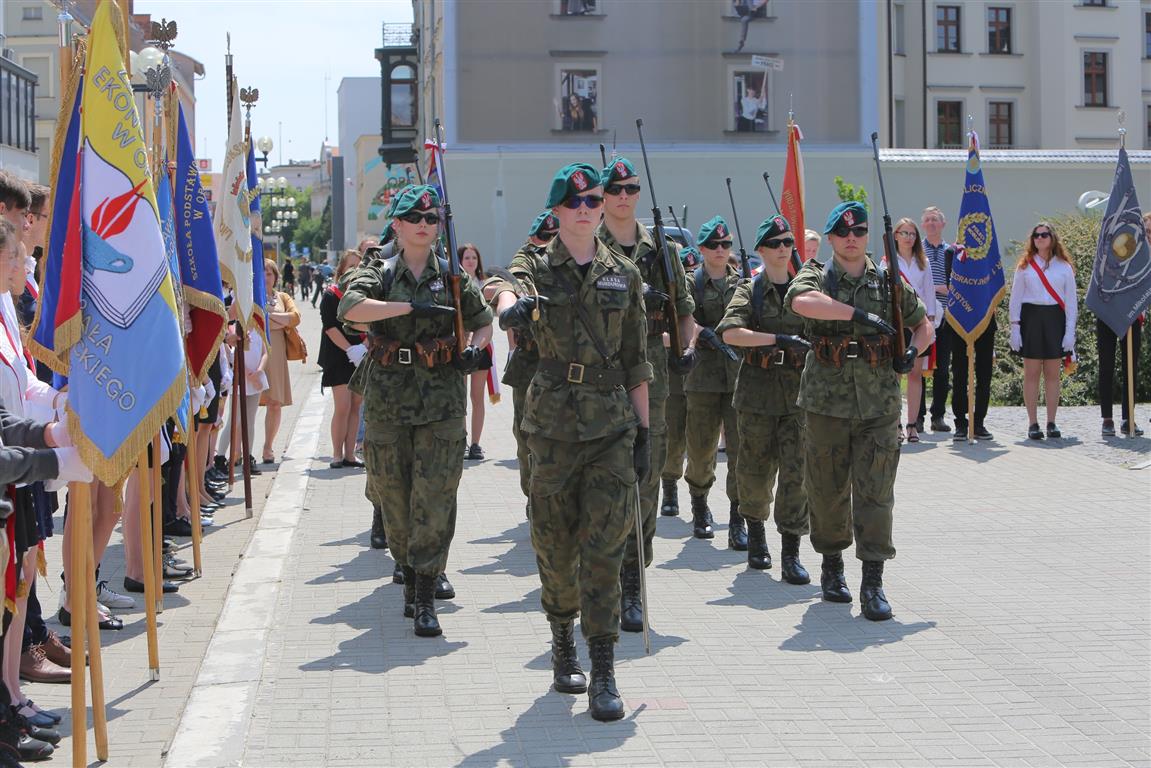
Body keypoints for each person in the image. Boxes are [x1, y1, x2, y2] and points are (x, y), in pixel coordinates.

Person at [494, 162, 651, 722]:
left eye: (594, 202)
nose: (586, 211)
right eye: (575, 203)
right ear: (557, 210)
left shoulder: (623, 273)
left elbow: (637, 359)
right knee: (555, 546)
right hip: (552, 428)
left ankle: (604, 667)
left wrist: (645, 433)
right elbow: (500, 286)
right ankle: (563, 637)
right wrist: (509, 307)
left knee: (605, 549)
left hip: (610, 426)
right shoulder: (536, 266)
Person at [339, 185, 493, 638]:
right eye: (414, 218)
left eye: (431, 219)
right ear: (398, 225)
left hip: (442, 398)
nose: (424, 225)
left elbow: (483, 321)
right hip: (389, 398)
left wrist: (474, 349)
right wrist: (408, 306)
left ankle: (425, 592)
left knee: (436, 496)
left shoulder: (453, 276)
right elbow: (351, 309)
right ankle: (408, 570)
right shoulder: (380, 270)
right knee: (394, 498)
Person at [786, 201, 932, 621]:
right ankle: (832, 566)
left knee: (876, 492)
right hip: (826, 402)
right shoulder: (817, 274)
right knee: (827, 490)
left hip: (878, 403)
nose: (852, 239)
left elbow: (923, 324)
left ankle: (873, 581)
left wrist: (912, 351)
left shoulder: (887, 281)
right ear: (831, 238)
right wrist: (858, 315)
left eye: (859, 232)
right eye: (843, 233)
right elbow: (801, 302)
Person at [596, 157, 695, 634]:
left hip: (651, 371)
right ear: (602, 195)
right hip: (600, 372)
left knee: (646, 475)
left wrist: (686, 347)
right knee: (601, 475)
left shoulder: (663, 250)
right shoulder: (587, 244)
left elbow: (685, 310)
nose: (623, 196)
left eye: (631, 189)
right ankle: (602, 577)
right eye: (615, 189)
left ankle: (633, 580)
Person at [719, 215, 813, 578]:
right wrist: (776, 339)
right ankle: (756, 535)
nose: (782, 249)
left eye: (788, 242)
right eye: (775, 244)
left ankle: (791, 551)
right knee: (755, 471)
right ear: (761, 249)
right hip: (757, 395)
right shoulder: (750, 290)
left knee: (796, 474)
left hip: (798, 395)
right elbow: (730, 333)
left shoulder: (804, 292)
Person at [682, 217, 744, 545]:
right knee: (701, 449)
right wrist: (699, 331)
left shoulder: (743, 284)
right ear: (702, 249)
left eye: (725, 244)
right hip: (702, 378)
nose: (720, 250)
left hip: (738, 379)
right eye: (713, 245)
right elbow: (682, 317)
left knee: (740, 450)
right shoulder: (690, 283)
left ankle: (737, 517)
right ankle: (700, 506)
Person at [493, 212, 556, 515]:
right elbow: (507, 284)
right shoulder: (526, 260)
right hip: (531, 362)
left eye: (554, 238)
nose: (549, 244)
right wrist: (512, 301)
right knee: (526, 437)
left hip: (568, 360)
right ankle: (534, 496)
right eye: (544, 238)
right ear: (532, 239)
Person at [1009, 221, 1077, 440]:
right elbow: (1016, 298)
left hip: (1055, 319)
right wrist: (1015, 327)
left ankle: (1051, 422)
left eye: (1044, 235)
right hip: (1031, 319)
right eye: (1036, 235)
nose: (1039, 238)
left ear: (1052, 238)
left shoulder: (1064, 267)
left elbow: (1071, 302)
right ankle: (1033, 423)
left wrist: (1070, 332)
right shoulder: (1025, 266)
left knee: (1052, 374)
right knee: (1031, 373)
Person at [1096, 214, 1149, 437]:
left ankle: (1128, 418)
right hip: (1108, 313)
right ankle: (1107, 419)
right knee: (1106, 366)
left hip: (1132, 316)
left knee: (1130, 368)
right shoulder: (1117, 250)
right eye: (1147, 230)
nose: (1148, 235)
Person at [661, 245, 701, 518]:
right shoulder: (670, 290)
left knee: (700, 443)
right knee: (674, 437)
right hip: (675, 375)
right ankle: (669, 487)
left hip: (706, 375)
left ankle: (700, 500)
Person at [890, 218, 937, 443]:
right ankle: (896, 424)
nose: (909, 238)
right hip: (897, 323)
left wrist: (931, 322)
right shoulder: (887, 262)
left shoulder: (923, 262)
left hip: (918, 322)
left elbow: (929, 292)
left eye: (912, 234)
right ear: (895, 235)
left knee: (915, 374)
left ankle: (913, 424)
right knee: (896, 374)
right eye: (904, 233)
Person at [320, 251, 367, 470]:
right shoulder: (331, 295)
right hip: (339, 355)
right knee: (343, 406)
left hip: (360, 355)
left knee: (356, 405)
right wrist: (350, 350)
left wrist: (363, 348)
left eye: (359, 266)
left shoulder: (365, 296)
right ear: (341, 270)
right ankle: (337, 454)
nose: (355, 270)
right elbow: (330, 328)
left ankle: (350, 454)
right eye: (351, 266)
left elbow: (373, 325)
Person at [260, 259, 301, 464]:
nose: (266, 277)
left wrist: (269, 318)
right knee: (247, 403)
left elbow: (295, 317)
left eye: (269, 273)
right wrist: (279, 320)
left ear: (276, 277)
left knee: (274, 403)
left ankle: (268, 447)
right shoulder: (252, 296)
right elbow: (255, 320)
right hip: (255, 352)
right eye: (262, 273)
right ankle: (239, 452)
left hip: (276, 355)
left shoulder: (283, 297)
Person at [920, 206, 955, 433]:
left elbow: (957, 282)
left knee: (942, 368)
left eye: (935, 220)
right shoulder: (916, 250)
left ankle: (938, 416)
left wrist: (944, 289)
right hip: (921, 315)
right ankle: (917, 417)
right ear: (923, 225)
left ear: (943, 224)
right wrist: (935, 288)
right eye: (928, 220)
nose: (931, 223)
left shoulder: (952, 252)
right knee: (919, 367)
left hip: (946, 316)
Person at [459, 243, 495, 461]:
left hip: (481, 347)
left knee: (477, 397)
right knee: (460, 397)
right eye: (466, 258)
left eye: (474, 257)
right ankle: (461, 441)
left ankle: (475, 444)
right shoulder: (454, 284)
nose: (471, 261)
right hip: (460, 347)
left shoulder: (486, 284)